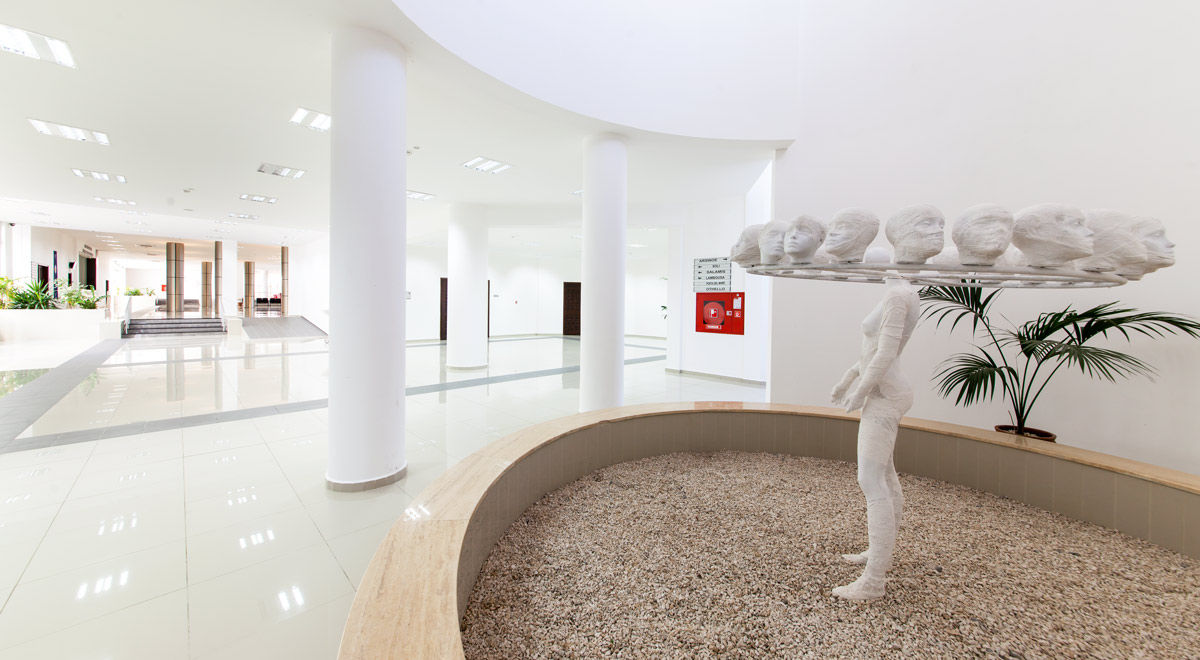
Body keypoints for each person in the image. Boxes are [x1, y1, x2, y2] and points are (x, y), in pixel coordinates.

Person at [829, 276, 919, 600]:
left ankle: (874, 580)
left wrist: (860, 391)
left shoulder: (897, 295)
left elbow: (884, 354)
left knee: (870, 479)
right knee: (884, 474)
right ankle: (880, 552)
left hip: (885, 396)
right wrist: (847, 379)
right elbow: (871, 352)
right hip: (886, 391)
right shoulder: (901, 291)